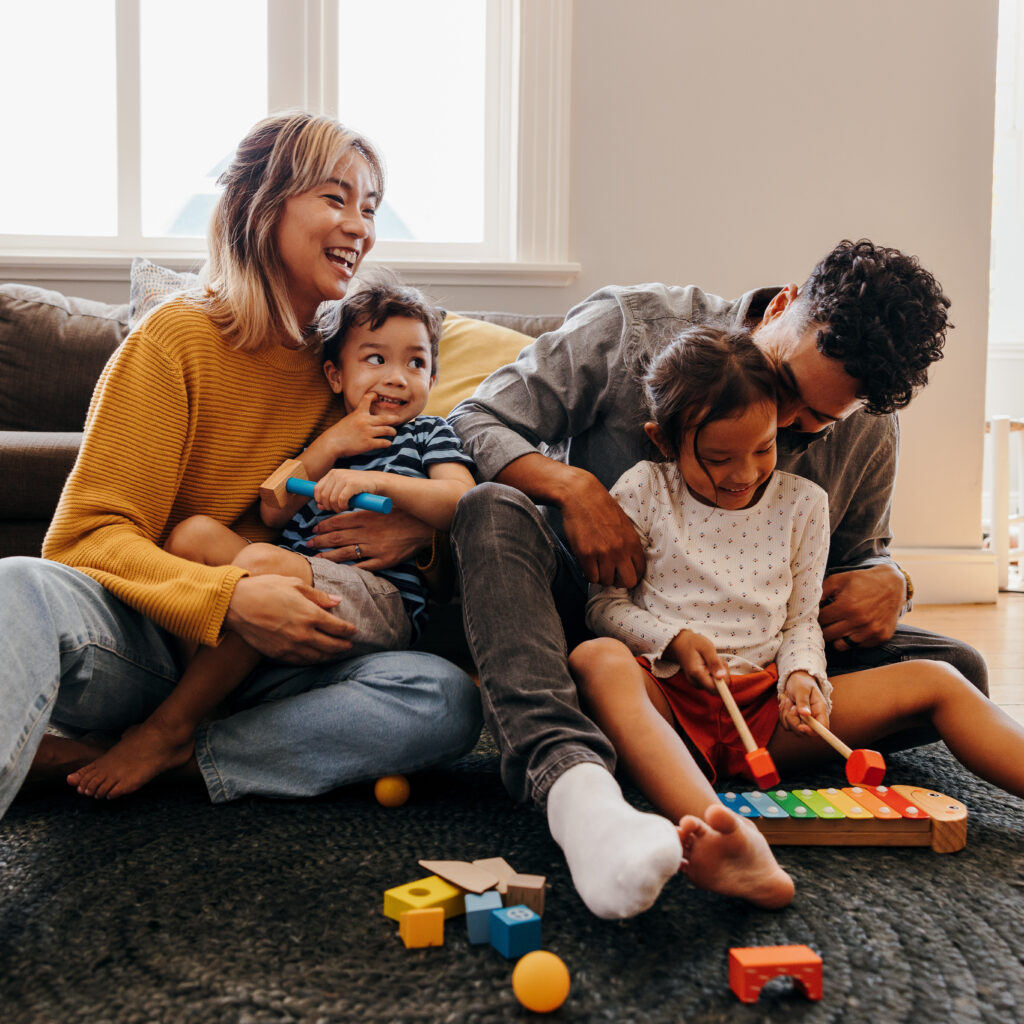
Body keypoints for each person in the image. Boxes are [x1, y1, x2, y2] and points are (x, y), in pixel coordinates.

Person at [447, 239, 984, 920]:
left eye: (813, 425)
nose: (783, 427)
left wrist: (892, 579)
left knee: (956, 667)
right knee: (490, 511)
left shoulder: (870, 427)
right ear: (785, 305)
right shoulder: (628, 328)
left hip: (757, 663)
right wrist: (575, 489)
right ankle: (572, 778)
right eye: (786, 388)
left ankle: (689, 748)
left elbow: (857, 559)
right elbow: (474, 418)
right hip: (589, 619)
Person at [0, 111, 482, 819]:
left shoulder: (343, 370)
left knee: (444, 699)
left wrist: (420, 535)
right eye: (336, 198)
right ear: (264, 205)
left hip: (281, 656)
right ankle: (159, 742)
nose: (360, 226)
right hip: (149, 641)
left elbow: (420, 561)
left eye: (370, 208)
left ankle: (153, 758)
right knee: (18, 589)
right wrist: (227, 600)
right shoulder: (176, 339)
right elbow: (84, 538)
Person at [569, 323, 1024, 911]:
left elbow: (800, 622)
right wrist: (674, 640)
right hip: (667, 702)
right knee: (595, 658)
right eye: (717, 458)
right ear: (664, 440)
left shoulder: (804, 504)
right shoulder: (643, 489)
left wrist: (802, 676)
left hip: (766, 712)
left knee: (941, 677)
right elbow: (605, 607)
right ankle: (720, 833)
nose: (743, 474)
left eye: (763, 449)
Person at [65, 278, 476, 800]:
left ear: (433, 377)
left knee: (263, 561)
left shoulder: (429, 433)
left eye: (415, 363)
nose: (396, 378)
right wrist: (329, 446)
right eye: (375, 359)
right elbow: (273, 507)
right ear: (336, 373)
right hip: (290, 579)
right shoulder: (328, 435)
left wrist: (380, 482)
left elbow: (461, 501)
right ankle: (210, 703)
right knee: (194, 535)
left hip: (376, 597)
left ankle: (171, 728)